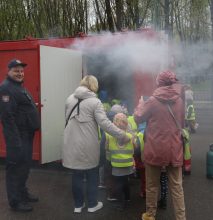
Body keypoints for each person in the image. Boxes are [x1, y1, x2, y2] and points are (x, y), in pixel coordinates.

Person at [62, 75, 129, 214]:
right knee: (92, 173)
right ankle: (92, 204)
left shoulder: (69, 99)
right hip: (88, 143)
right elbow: (105, 124)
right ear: (94, 85)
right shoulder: (95, 102)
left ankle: (78, 205)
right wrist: (122, 134)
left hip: (71, 142)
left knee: (77, 174)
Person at [134, 70, 186, 220]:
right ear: (172, 83)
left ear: (159, 83)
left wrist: (140, 105)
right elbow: (182, 124)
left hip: (155, 149)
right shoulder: (180, 101)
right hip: (174, 149)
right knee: (177, 187)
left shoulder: (152, 101)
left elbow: (138, 118)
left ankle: (150, 215)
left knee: (152, 185)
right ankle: (181, 218)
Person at [0, 59, 40, 212]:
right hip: (17, 138)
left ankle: (23, 193)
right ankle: (15, 202)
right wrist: (15, 143)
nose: (20, 73)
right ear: (9, 71)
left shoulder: (18, 87)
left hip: (26, 136)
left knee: (25, 167)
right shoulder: (6, 89)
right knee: (15, 170)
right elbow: (7, 118)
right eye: (16, 70)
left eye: (21, 71)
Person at [105, 113, 136, 210]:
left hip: (116, 164)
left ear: (114, 123)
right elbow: (135, 149)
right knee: (125, 181)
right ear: (126, 123)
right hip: (128, 163)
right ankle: (127, 198)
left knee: (118, 183)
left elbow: (106, 148)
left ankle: (120, 204)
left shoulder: (109, 136)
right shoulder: (131, 136)